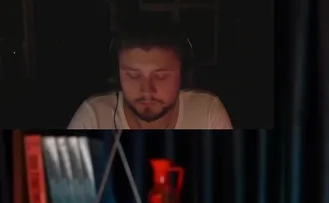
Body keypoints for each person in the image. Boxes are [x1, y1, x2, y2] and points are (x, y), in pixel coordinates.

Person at [68, 18, 232, 130]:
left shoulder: (208, 113)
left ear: (183, 74)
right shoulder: (92, 117)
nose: (147, 91)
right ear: (116, 76)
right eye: (133, 75)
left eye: (161, 76)